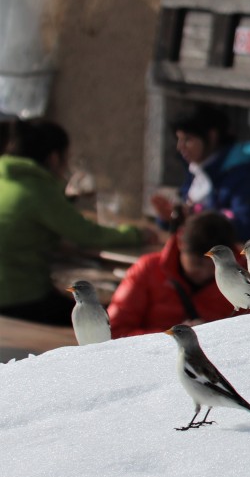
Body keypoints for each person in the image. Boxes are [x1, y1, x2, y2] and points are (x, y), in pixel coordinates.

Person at [0, 119, 157, 326]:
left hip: (8, 293)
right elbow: (88, 235)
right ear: (55, 158)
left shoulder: (7, 179)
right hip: (18, 298)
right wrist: (136, 234)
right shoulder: (39, 190)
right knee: (99, 320)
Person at [108, 212, 245, 338]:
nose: (205, 273)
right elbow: (113, 331)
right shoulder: (147, 270)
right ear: (180, 244)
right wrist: (171, 338)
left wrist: (214, 336)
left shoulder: (245, 277)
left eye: (215, 267)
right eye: (198, 264)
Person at [151, 105, 250, 242]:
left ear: (212, 136)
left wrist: (193, 218)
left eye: (187, 139)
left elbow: (249, 229)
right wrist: (170, 216)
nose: (180, 147)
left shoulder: (241, 178)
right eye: (178, 139)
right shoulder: (196, 171)